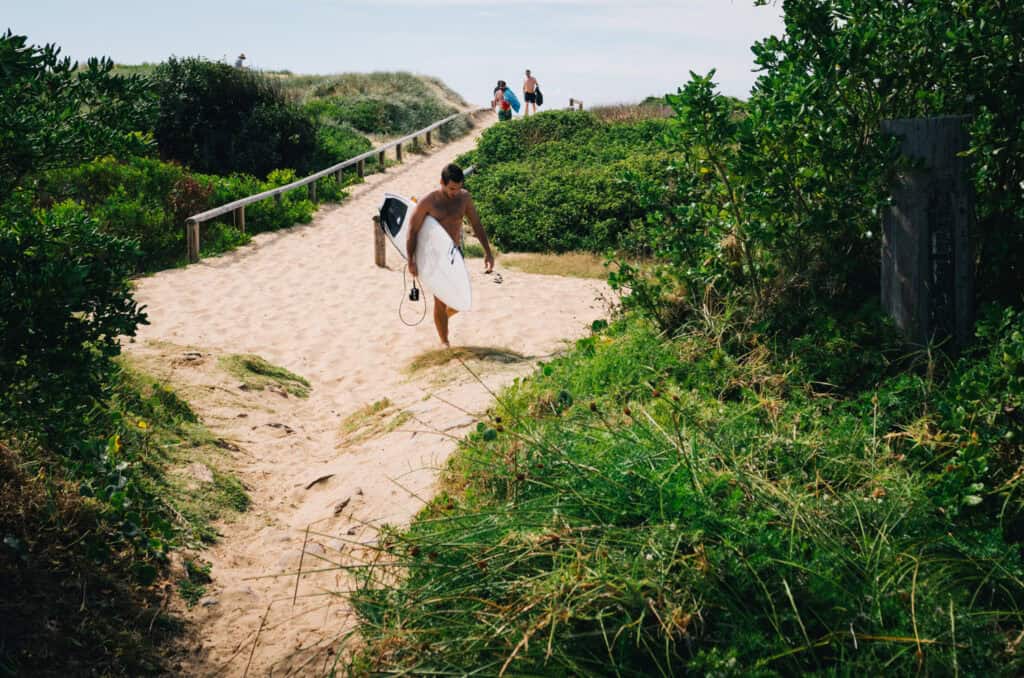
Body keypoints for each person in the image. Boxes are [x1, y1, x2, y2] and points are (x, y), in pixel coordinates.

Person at [407, 163, 495, 347]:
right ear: (442, 182)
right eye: (451, 188)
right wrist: (411, 260)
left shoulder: (464, 198)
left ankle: (441, 320)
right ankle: (444, 342)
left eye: (459, 187)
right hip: (434, 257)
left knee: (460, 299)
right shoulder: (429, 202)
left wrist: (488, 252)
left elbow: (476, 224)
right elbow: (412, 230)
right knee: (441, 300)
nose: (455, 192)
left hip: (455, 253)